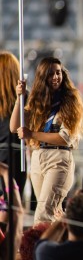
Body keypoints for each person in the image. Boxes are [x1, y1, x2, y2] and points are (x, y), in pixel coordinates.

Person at [10, 57, 83, 223]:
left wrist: (32, 135)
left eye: (58, 72)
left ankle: (37, 249)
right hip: (38, 158)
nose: (55, 77)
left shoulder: (70, 100)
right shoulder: (37, 102)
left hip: (59, 160)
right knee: (54, 214)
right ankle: (65, 245)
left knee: (43, 214)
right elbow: (14, 126)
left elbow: (64, 138)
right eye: (50, 74)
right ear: (42, 77)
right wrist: (19, 98)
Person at [0, 51, 27, 196]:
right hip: (17, 160)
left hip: (5, 159)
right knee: (13, 208)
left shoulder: (23, 98)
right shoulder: (24, 98)